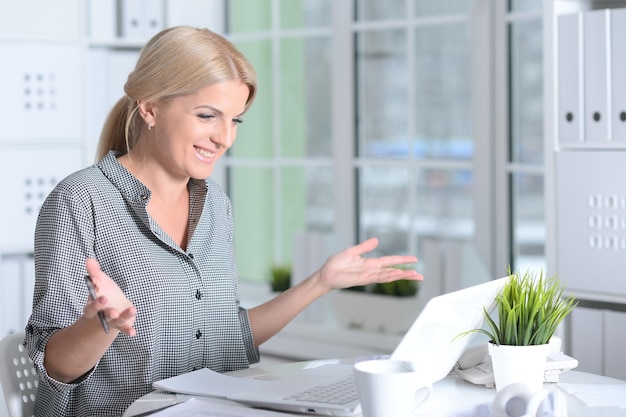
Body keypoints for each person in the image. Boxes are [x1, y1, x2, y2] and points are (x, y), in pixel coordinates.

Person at [24, 26, 423, 417]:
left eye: (235, 120)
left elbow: (225, 338)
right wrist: (102, 324)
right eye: (207, 116)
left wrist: (320, 283)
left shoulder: (215, 203)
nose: (225, 138)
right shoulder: (80, 200)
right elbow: (55, 367)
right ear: (149, 108)